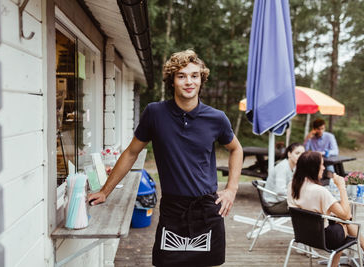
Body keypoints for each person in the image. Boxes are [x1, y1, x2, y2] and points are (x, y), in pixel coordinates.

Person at [88, 49, 243, 266]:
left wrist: (231, 189)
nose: (189, 82)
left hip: (208, 208)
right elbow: (132, 152)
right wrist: (105, 191)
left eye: (194, 76)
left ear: (201, 80)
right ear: (172, 81)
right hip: (173, 209)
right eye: (181, 76)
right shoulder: (155, 113)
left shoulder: (216, 118)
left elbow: (236, 149)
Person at [287, 151, 364, 267]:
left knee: (342, 219)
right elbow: (346, 215)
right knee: (345, 222)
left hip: (303, 234)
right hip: (322, 238)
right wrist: (342, 187)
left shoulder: (292, 185)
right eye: (321, 165)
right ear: (313, 168)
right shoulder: (320, 191)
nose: (323, 168)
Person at [263, 143, 304, 214]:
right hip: (273, 205)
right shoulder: (283, 167)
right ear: (289, 154)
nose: (300, 156)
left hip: (283, 201)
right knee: (307, 204)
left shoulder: (295, 167)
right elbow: (280, 191)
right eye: (297, 153)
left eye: (302, 154)